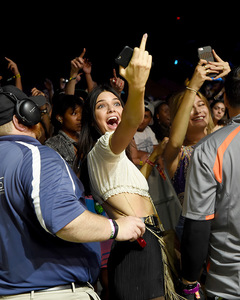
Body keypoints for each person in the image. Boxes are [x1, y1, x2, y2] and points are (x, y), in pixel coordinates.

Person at [0, 85, 145, 299]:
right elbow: (63, 219)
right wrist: (116, 227)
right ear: (23, 116)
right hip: (56, 292)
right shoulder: (38, 156)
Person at [75, 34, 171, 300]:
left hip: (147, 241)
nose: (111, 109)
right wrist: (137, 85)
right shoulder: (103, 146)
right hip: (136, 246)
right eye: (101, 106)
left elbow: (134, 185)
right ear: (92, 120)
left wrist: (152, 158)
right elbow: (132, 120)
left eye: (116, 103)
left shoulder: (112, 157)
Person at [180, 66, 240, 299]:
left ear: (224, 99)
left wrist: (189, 283)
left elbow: (198, 224)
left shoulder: (211, 148)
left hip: (230, 284)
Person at [163, 51, 230, 241]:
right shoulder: (177, 153)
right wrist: (192, 87)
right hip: (198, 231)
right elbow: (175, 141)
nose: (198, 110)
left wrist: (232, 78)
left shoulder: (223, 137)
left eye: (201, 104)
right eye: (189, 108)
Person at [45, 94, 83, 169]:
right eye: (74, 113)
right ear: (60, 118)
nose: (80, 118)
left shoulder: (88, 139)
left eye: (82, 113)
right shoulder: (53, 145)